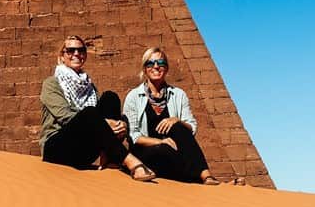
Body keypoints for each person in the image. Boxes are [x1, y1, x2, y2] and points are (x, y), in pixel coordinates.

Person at [40, 36, 156, 181]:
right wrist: (104, 123)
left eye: (81, 50)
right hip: (57, 149)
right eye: (70, 50)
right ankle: (130, 161)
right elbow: (65, 115)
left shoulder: (89, 87)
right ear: (62, 57)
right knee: (90, 113)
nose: (76, 54)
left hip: (82, 150)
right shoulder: (51, 83)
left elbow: (98, 117)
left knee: (110, 97)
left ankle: (107, 159)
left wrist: (121, 124)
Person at [123, 47, 222, 185]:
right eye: (150, 63)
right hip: (145, 153)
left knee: (178, 126)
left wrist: (178, 121)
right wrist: (161, 142)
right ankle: (196, 179)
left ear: (167, 68)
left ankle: (206, 175)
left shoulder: (178, 95)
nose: (156, 67)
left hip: (173, 151)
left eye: (161, 63)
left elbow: (192, 127)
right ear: (144, 69)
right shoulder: (133, 96)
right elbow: (133, 136)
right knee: (165, 150)